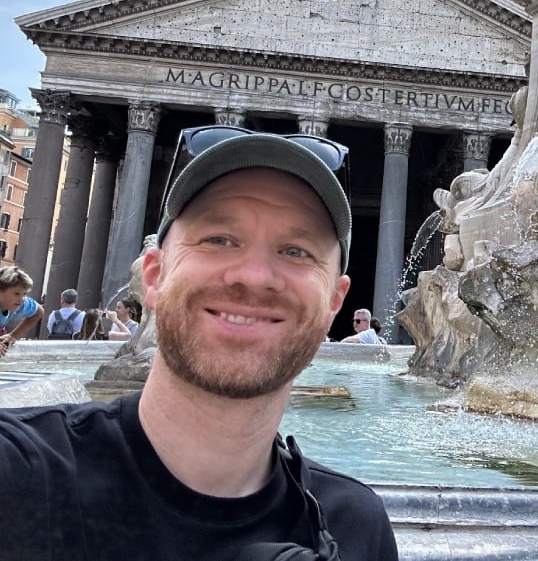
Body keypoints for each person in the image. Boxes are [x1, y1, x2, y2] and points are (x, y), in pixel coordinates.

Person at [0, 126, 398, 560]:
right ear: (153, 276)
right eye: (218, 240)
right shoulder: (14, 469)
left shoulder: (356, 527)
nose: (254, 276)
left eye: (297, 250)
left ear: (334, 302)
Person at [0, 266, 45, 358]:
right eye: (16, 294)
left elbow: (39, 311)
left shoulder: (19, 303)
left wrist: (14, 335)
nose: (22, 299)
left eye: (24, 294)